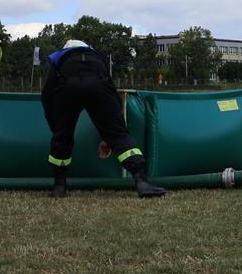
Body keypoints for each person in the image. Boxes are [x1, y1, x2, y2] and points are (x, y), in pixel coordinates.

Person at [41, 40, 167, 199]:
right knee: (120, 135)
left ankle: (60, 186)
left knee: (62, 137)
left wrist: (56, 127)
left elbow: (47, 95)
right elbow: (112, 95)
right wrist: (110, 135)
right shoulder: (96, 57)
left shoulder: (61, 59)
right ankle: (142, 182)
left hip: (67, 87)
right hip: (98, 85)